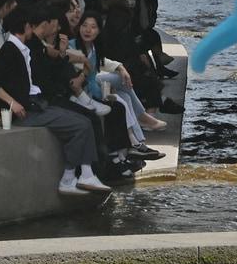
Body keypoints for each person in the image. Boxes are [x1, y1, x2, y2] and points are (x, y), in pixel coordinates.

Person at [0, 6, 109, 196]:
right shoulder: (10, 50)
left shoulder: (20, 48)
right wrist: (13, 103)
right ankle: (73, 177)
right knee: (81, 125)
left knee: (84, 122)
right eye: (30, 26)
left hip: (35, 103)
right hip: (27, 110)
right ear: (26, 27)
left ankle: (74, 177)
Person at [71, 11, 167, 160]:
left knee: (124, 97)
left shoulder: (94, 47)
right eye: (84, 25)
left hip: (95, 88)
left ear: (99, 30)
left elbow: (101, 62)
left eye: (93, 27)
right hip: (85, 93)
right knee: (120, 93)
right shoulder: (72, 46)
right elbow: (84, 74)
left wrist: (120, 67)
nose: (88, 30)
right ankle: (140, 127)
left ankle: (137, 143)